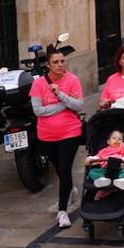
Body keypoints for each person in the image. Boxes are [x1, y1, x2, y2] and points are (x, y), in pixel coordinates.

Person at [29, 47, 84, 228]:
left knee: (65, 167)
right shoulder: (38, 84)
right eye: (56, 62)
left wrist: (60, 94)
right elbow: (38, 111)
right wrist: (62, 105)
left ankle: (62, 212)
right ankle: (71, 191)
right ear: (48, 65)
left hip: (70, 132)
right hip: (46, 136)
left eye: (62, 61)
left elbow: (78, 105)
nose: (60, 65)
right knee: (60, 169)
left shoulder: (72, 80)